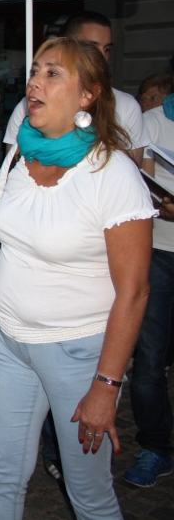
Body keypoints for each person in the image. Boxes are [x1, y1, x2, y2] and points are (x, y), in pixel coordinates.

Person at [0, 37, 154, 518]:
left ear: (88, 95)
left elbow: (135, 291)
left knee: (88, 492)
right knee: (2, 472)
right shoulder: (21, 156)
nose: (34, 82)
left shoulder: (112, 173)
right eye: (35, 71)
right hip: (11, 343)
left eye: (53, 73)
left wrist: (106, 385)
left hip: (79, 353)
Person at [4, 11, 150, 165]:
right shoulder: (27, 107)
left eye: (106, 49)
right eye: (89, 47)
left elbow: (135, 167)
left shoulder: (126, 107)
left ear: (87, 96)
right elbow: (10, 168)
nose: (100, 56)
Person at [124, 93, 174, 486]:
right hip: (158, 252)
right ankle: (155, 446)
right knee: (149, 361)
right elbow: (137, 183)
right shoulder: (151, 121)